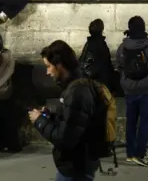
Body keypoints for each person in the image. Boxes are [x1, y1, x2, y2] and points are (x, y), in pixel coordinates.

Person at [29, 40, 102, 180]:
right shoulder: (76, 85)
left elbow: (65, 139)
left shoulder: (76, 92)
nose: (47, 72)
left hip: (75, 167)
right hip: (77, 164)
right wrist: (50, 117)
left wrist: (39, 121)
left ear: (60, 66)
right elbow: (74, 122)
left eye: (49, 66)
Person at [116, 16, 148, 167]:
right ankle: (140, 154)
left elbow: (119, 66)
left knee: (131, 121)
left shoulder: (123, 47)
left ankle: (130, 154)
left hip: (130, 89)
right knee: (145, 122)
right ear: (143, 28)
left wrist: (126, 81)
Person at [78, 19, 114, 89]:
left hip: (89, 81)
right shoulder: (102, 44)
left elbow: (82, 61)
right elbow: (106, 64)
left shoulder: (88, 44)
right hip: (100, 81)